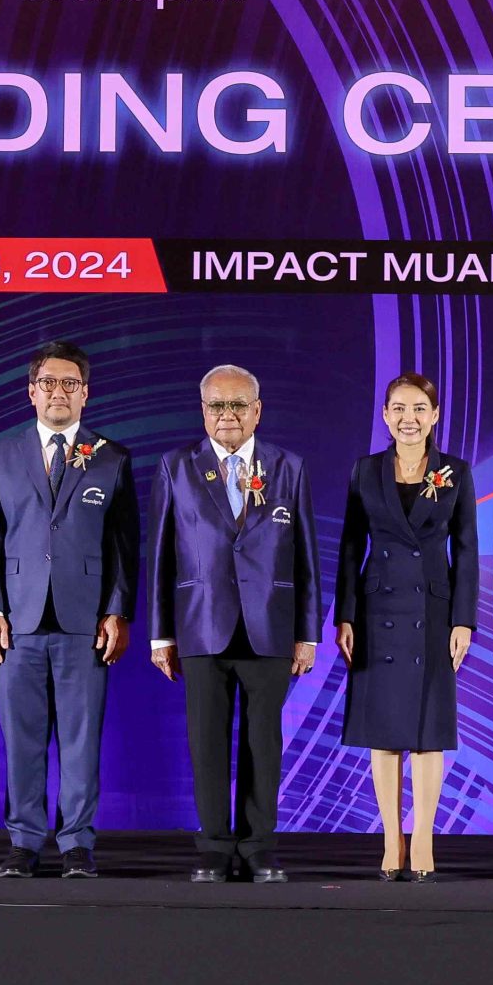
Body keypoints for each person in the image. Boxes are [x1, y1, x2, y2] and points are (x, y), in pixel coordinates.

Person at [147, 365, 321, 882]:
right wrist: (161, 633)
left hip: (270, 625)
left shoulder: (288, 467)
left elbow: (306, 556)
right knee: (207, 742)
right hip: (201, 626)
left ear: (257, 410)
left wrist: (307, 633)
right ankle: (215, 846)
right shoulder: (176, 466)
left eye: (239, 404)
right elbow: (160, 556)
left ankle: (259, 844)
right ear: (203, 412)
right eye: (217, 405)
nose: (228, 415)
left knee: (263, 743)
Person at [0, 340, 138, 878]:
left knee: (80, 741)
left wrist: (117, 610)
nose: (58, 392)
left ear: (85, 393)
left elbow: (123, 546)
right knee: (21, 741)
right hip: (15, 623)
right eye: (48, 383)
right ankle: (23, 842)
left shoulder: (111, 457)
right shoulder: (1, 455)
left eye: (69, 383)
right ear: (31, 392)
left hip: (84, 621)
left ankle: (76, 845)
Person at [334, 374, 478, 880]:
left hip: (433, 611)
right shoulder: (366, 470)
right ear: (385, 415)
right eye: (398, 408)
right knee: (385, 730)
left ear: (434, 416)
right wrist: (345, 614)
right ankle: (391, 840)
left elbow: (466, 549)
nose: (408, 418)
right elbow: (351, 545)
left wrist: (463, 620)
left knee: (428, 731)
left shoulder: (455, 471)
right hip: (377, 610)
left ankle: (424, 840)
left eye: (419, 408)